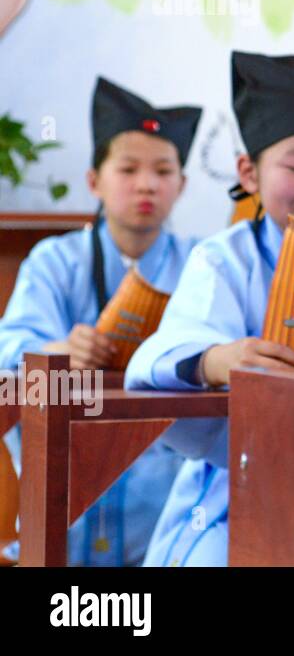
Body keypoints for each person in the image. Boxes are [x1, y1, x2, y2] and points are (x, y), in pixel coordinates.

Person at [125, 49, 294, 566]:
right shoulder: (226, 259)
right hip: (237, 486)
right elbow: (161, 356)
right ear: (249, 172)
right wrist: (216, 361)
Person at [0, 77, 200, 565]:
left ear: (182, 184)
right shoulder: (55, 260)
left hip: (166, 509)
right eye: (128, 169)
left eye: (163, 170)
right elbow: (9, 353)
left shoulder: (203, 263)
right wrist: (59, 350)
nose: (147, 184)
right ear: (95, 180)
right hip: (64, 501)